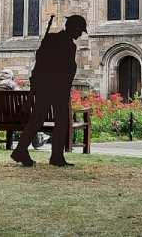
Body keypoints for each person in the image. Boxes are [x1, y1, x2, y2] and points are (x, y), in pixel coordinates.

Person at [11, 15, 86, 167]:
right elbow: (64, 69)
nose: (80, 34)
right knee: (60, 121)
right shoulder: (67, 45)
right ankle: (55, 156)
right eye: (79, 30)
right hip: (56, 88)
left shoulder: (51, 39)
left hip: (45, 87)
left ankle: (21, 150)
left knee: (38, 120)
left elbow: (40, 63)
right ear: (73, 27)